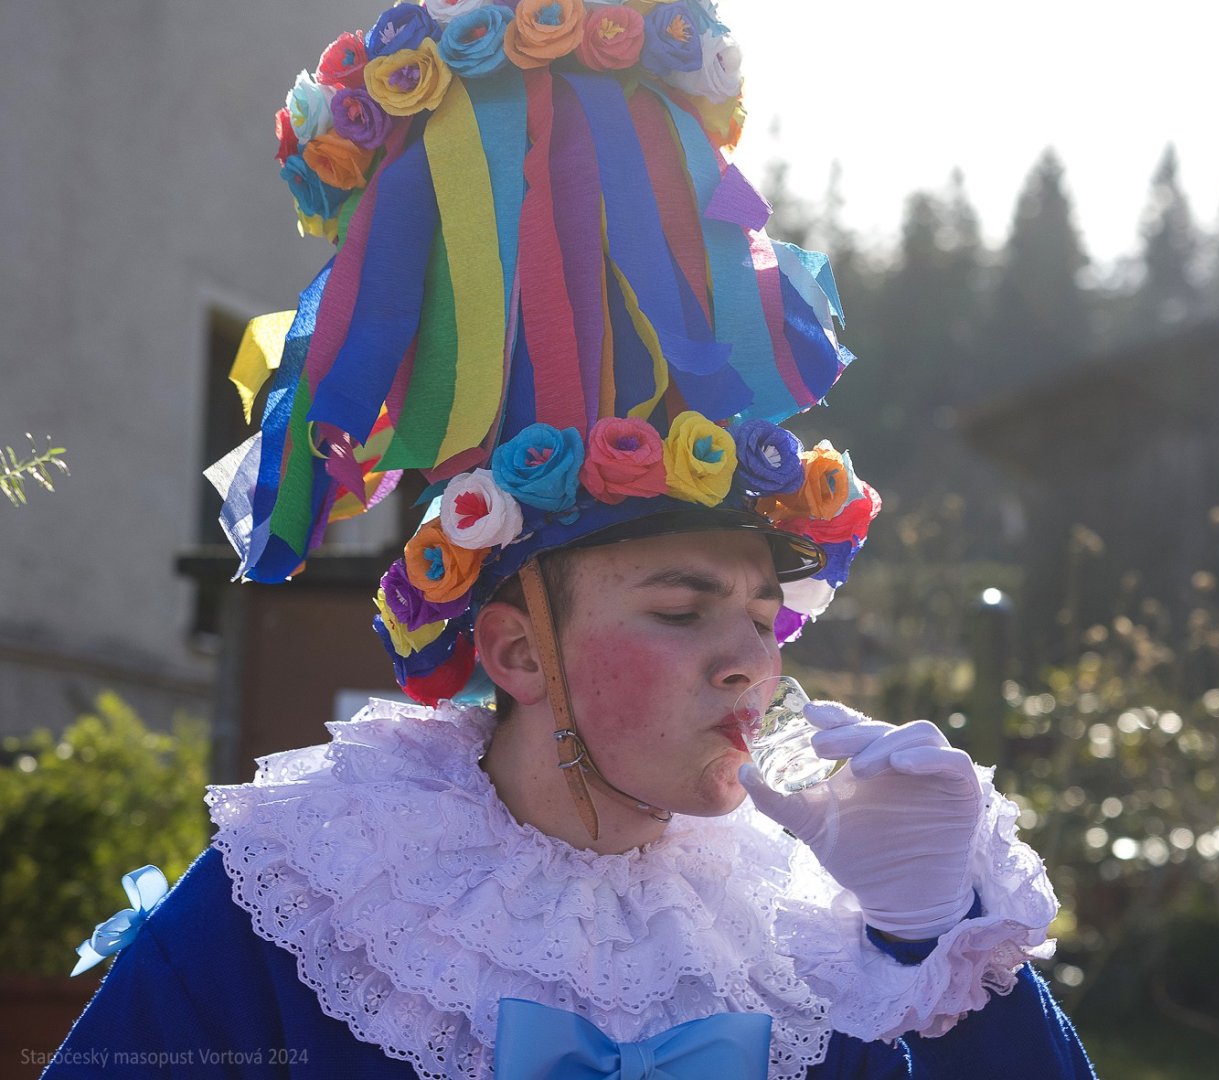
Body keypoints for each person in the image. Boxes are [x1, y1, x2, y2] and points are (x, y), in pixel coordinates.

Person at [42, 2, 1097, 1077]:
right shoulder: (306, 894)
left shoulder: (812, 933)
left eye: (762, 617)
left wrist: (931, 941)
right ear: (516, 650)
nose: (751, 661)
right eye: (680, 610)